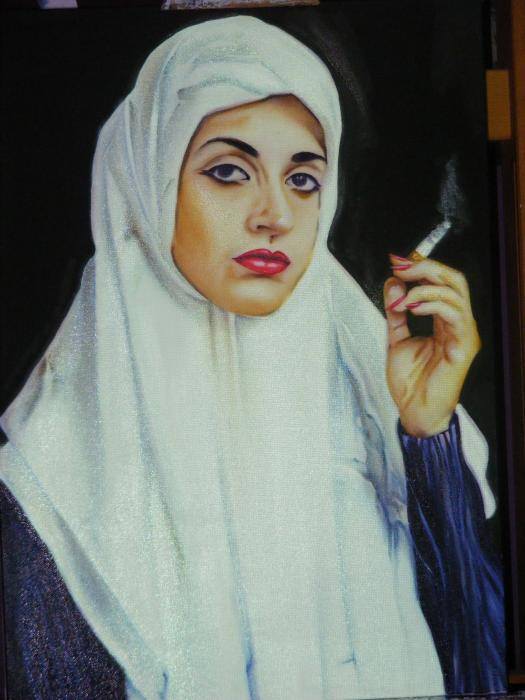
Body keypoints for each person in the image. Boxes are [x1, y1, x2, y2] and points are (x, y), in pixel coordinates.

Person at [0, 15, 505, 700]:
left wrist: (425, 431)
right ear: (149, 182)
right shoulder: (57, 472)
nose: (276, 215)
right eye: (229, 172)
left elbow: (475, 667)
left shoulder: (364, 386)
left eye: (304, 180)